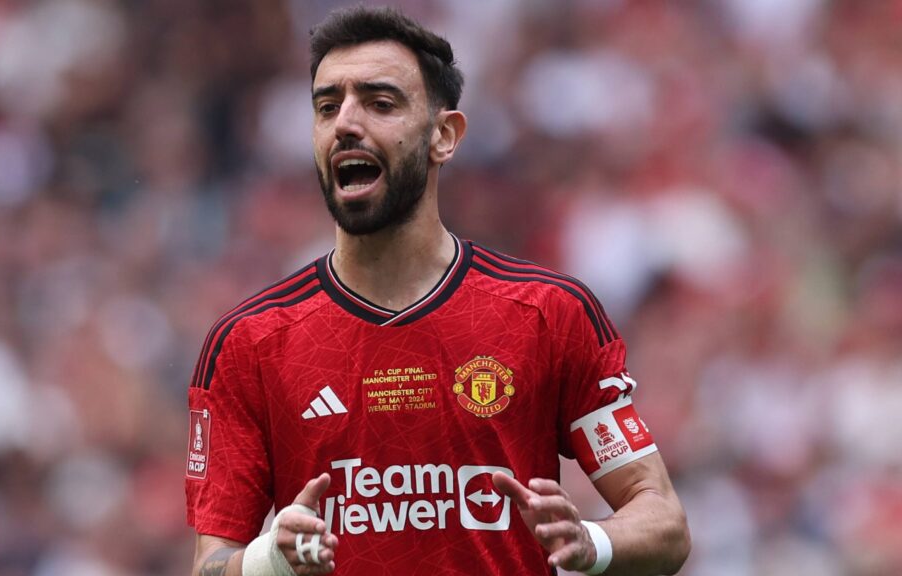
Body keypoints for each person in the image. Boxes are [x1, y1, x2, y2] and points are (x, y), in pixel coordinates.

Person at [185, 6, 690, 575]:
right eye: (327, 107)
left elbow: (664, 520)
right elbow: (212, 564)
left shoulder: (549, 315)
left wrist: (590, 540)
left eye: (380, 103)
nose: (346, 123)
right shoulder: (249, 343)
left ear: (444, 135)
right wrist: (264, 563)